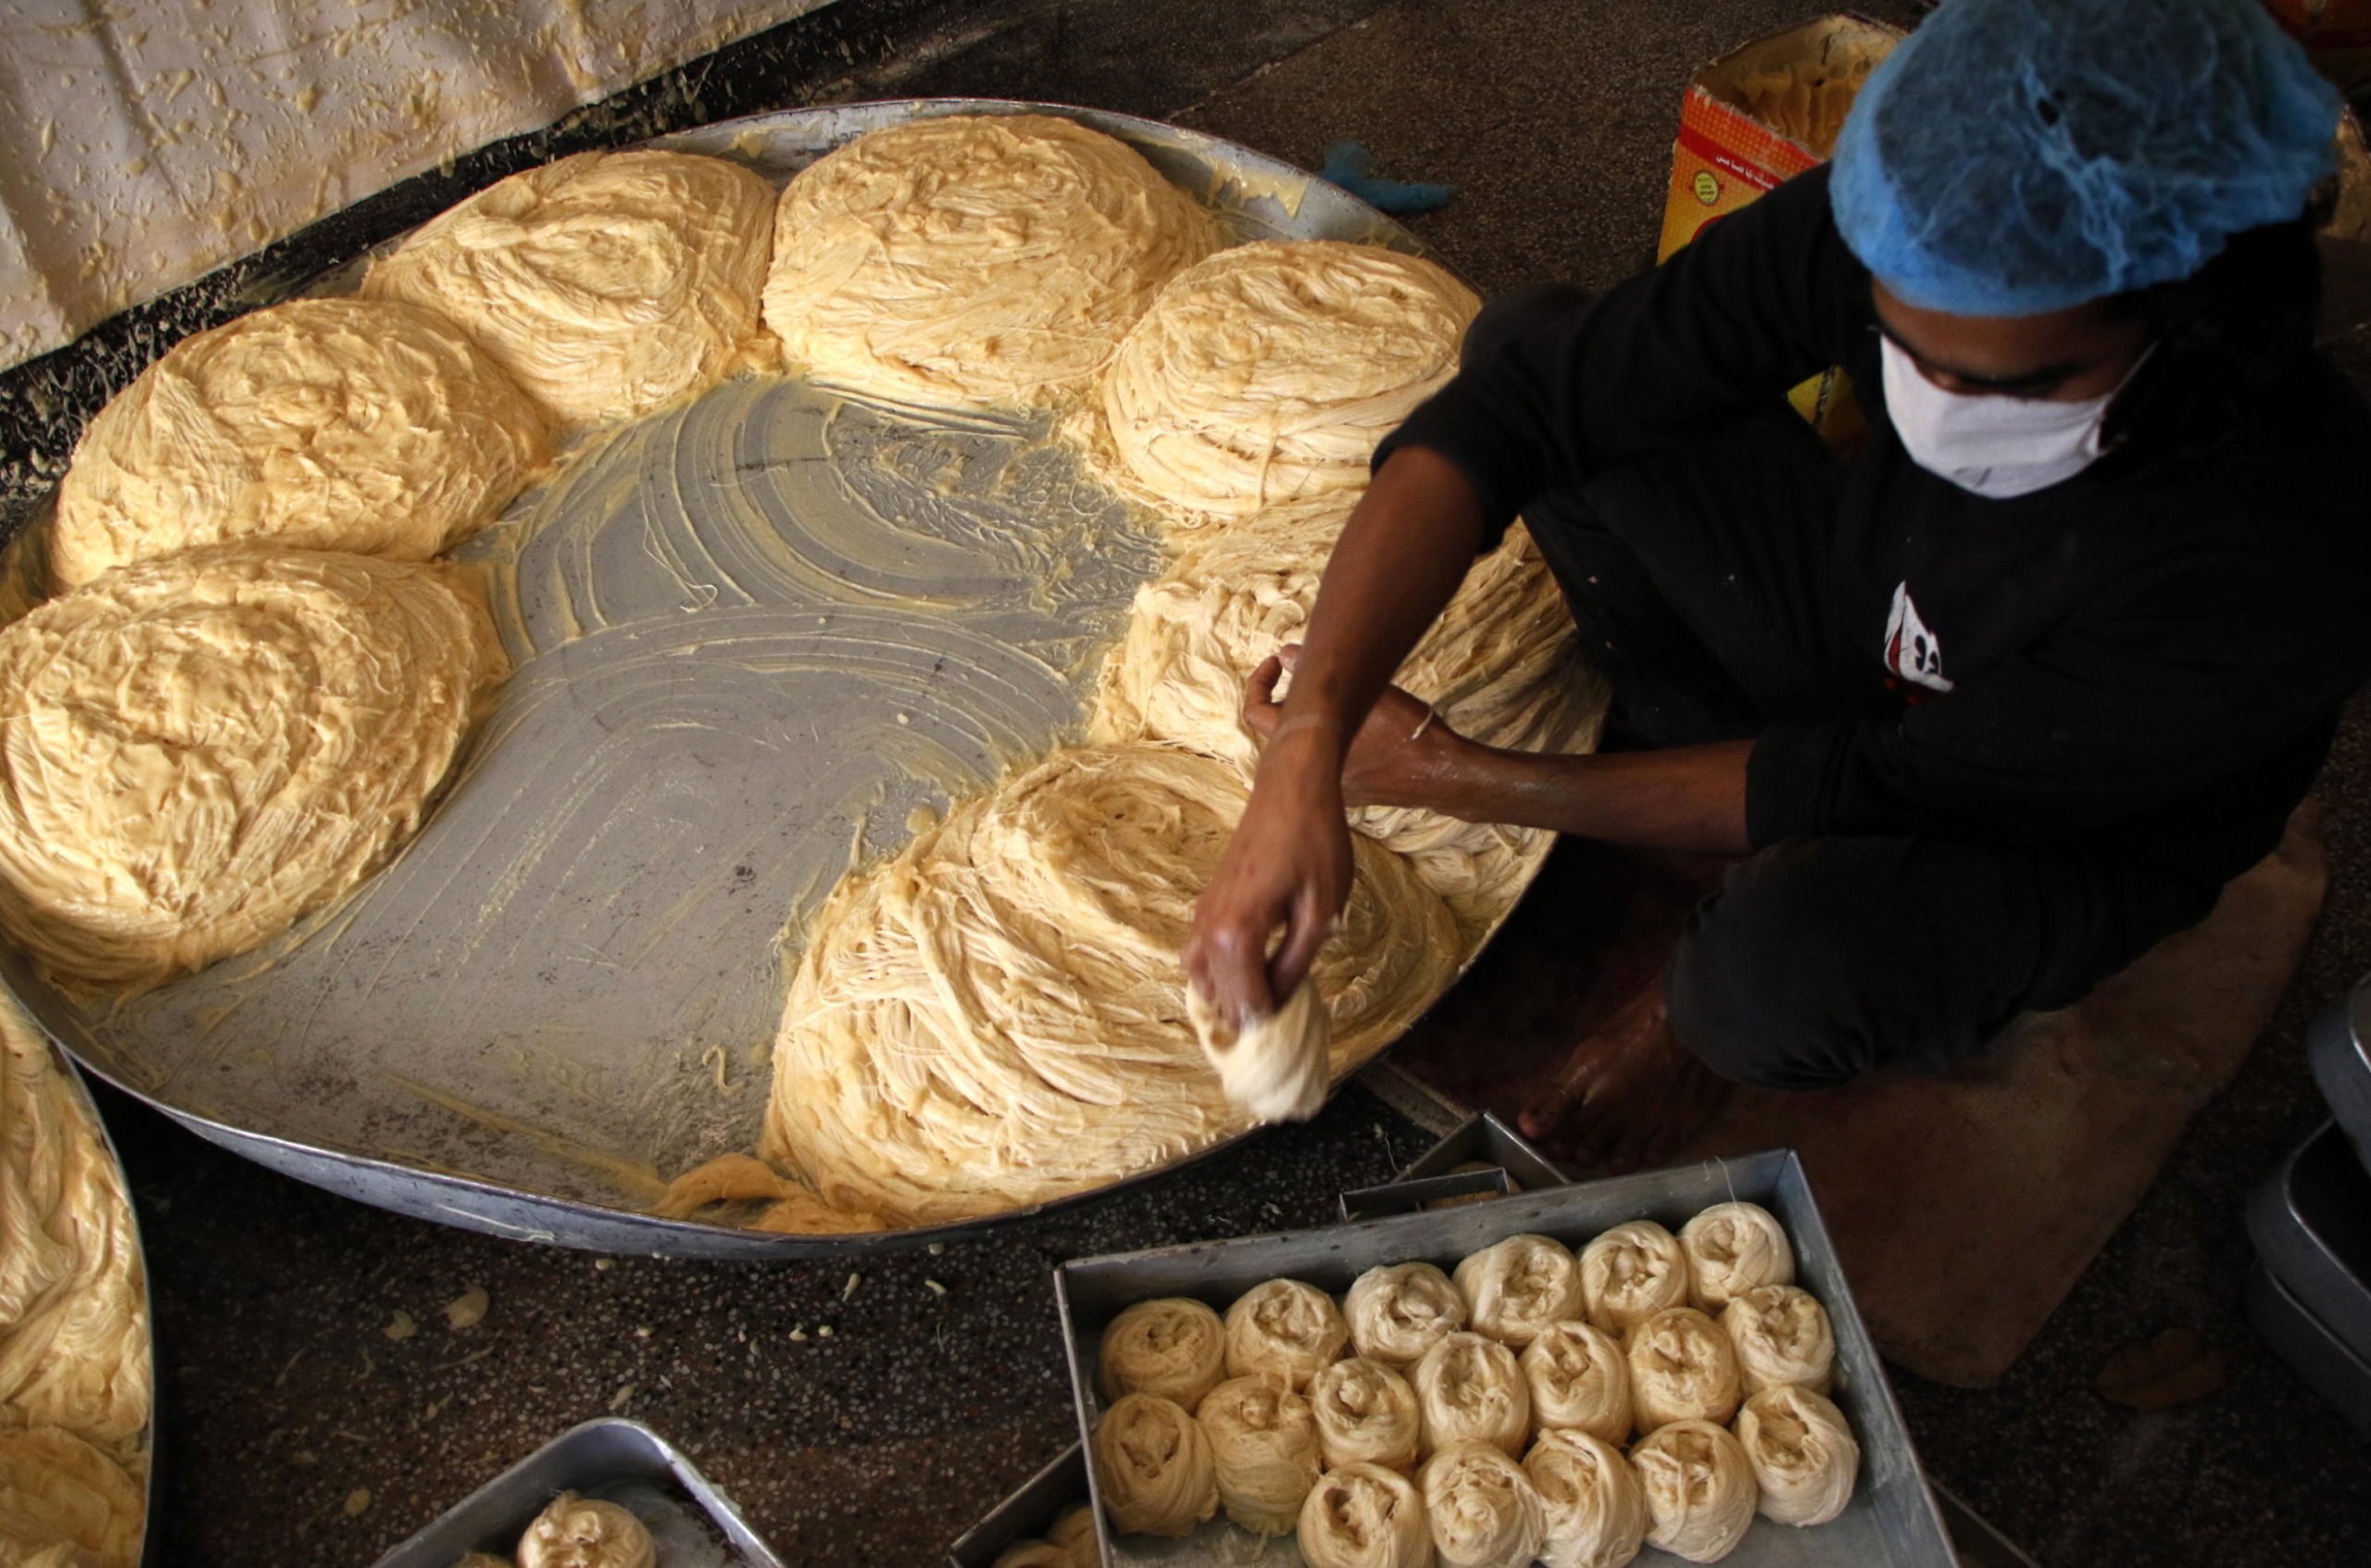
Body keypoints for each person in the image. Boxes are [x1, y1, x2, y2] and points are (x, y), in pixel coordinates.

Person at [1183, 0, 2371, 1173]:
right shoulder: (1918, 219)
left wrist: (1460, 778)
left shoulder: (2277, 548)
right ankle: (1688, 761)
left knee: (1769, 976)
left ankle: (1711, 1028)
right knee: (1533, 339)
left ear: (2184, 324)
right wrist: (1313, 745)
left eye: (1998, 381)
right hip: (1880, 637)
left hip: (2042, 826)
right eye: (1897, 346)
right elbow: (1529, 404)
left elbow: (1888, 784)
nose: (1927, 398)